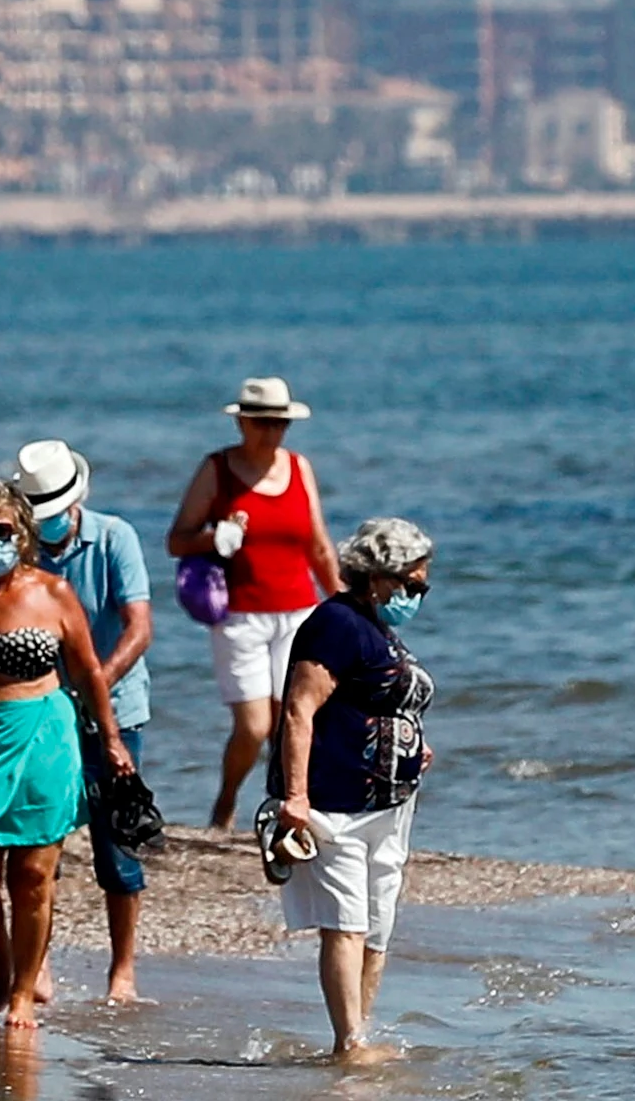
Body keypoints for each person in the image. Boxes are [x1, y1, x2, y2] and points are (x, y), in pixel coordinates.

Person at [0, 481, 135, 1033]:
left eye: (0, 531)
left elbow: (85, 671)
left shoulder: (53, 593)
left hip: (42, 734)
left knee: (34, 876)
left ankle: (21, 994)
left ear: (25, 537)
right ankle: (4, 956)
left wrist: (110, 740)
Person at [273, 518, 437, 1065]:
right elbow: (299, 709)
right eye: (411, 585)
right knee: (345, 922)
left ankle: (359, 1031)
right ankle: (350, 1043)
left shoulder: (378, 629)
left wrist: (415, 744)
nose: (418, 596)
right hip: (333, 801)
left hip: (389, 804)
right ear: (378, 578)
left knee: (377, 925)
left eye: (423, 587)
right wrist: (294, 797)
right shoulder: (337, 625)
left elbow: (378, 700)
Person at [13, 439, 156, 1005]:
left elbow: (139, 626)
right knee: (38, 845)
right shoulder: (20, 554)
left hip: (119, 708)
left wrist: (93, 680)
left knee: (118, 846)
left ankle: (123, 969)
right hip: (41, 713)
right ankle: (36, 963)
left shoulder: (115, 537)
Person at [165, 376, 341, 828]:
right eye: (262, 422)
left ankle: (287, 805)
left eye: (280, 423)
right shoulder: (217, 470)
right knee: (254, 726)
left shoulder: (299, 468)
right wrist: (214, 537)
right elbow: (177, 541)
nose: (271, 431)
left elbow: (319, 546)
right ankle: (226, 802)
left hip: (299, 612)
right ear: (242, 422)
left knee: (294, 719)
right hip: (240, 615)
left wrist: (344, 604)